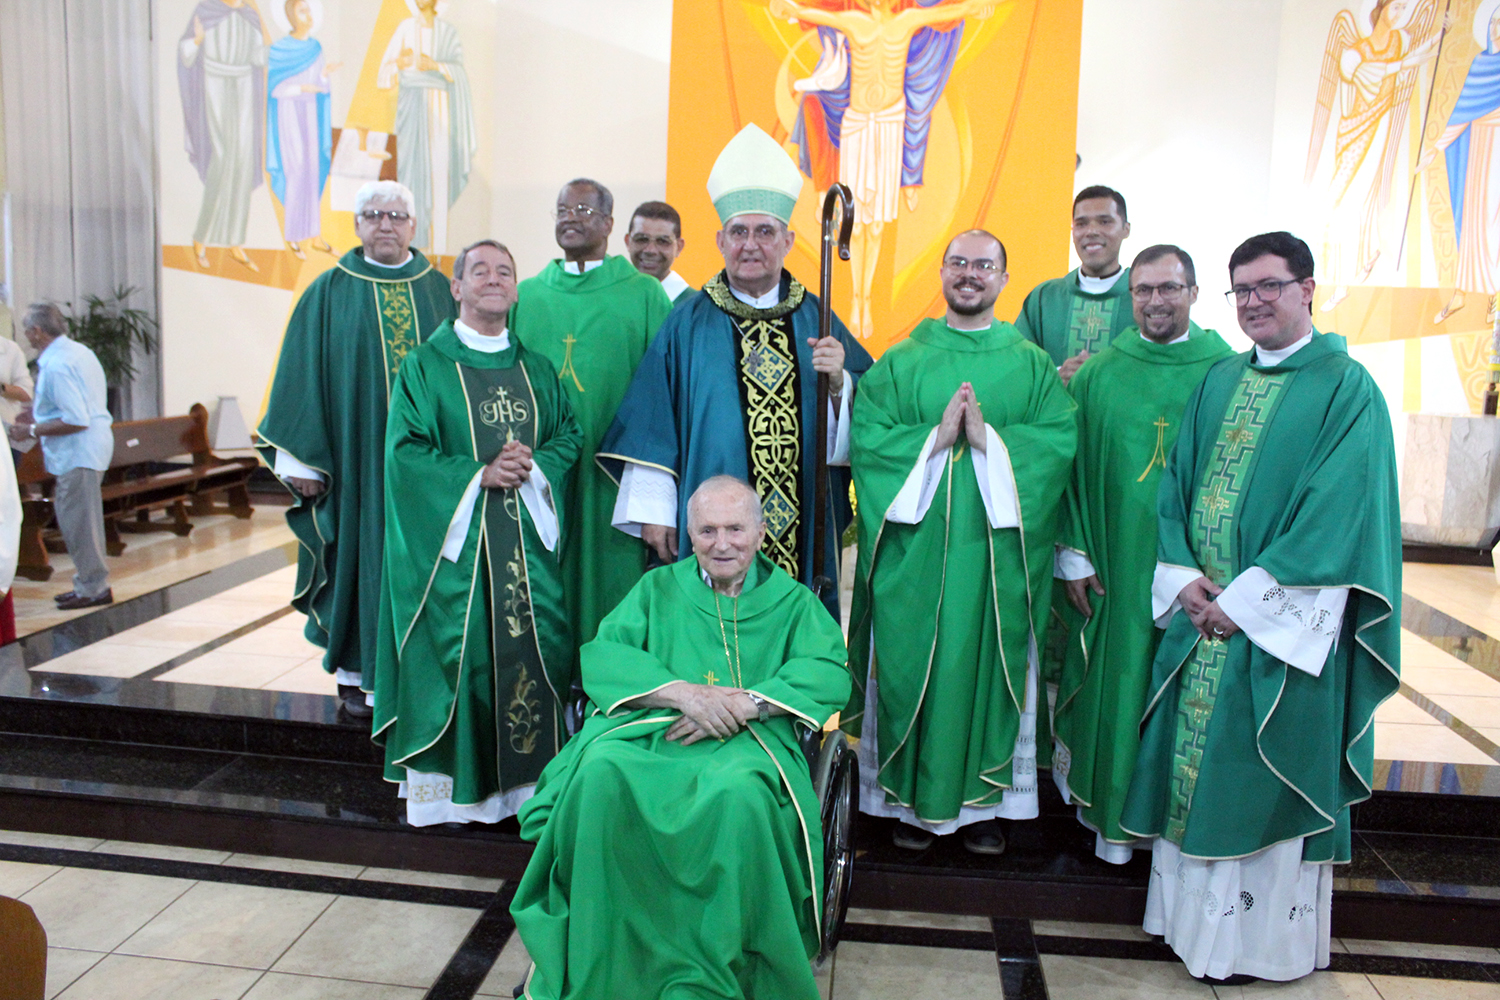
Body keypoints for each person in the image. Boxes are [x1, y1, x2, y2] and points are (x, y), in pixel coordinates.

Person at [1120, 232, 1400, 984]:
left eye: (1269, 286)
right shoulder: (1219, 380)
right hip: (1204, 621)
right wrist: (1183, 578)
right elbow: (1177, 486)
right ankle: (1192, 932)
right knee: (1196, 776)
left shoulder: (1347, 389)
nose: (1253, 302)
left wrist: (1245, 604)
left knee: (1260, 776)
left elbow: (1338, 513)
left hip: (1278, 630)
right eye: (1241, 289)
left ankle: (1254, 948)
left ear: (1307, 289)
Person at [510, 476, 850, 1000]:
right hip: (653, 733)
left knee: (739, 797)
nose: (722, 543)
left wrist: (747, 704)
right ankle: (603, 957)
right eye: (707, 530)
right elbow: (605, 654)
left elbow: (827, 671)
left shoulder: (794, 604)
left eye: (735, 529)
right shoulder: (656, 590)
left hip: (748, 746)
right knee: (599, 775)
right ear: (689, 535)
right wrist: (684, 694)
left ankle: (720, 964)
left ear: (761, 533)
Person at [845, 230, 1076, 854]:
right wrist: (934, 440)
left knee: (989, 667)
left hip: (995, 563)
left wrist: (988, 443)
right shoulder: (901, 360)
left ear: (1003, 278)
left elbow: (1058, 442)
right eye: (958, 263)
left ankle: (984, 808)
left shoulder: (1030, 364)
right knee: (908, 667)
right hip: (915, 559)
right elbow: (868, 439)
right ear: (943, 272)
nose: (969, 274)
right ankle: (907, 803)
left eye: (983, 265)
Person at [600, 124, 873, 617]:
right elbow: (653, 420)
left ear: (788, 240)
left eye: (765, 231)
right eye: (739, 232)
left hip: (805, 522)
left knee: (796, 620)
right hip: (713, 524)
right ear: (719, 240)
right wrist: (656, 513)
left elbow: (876, 412)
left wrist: (841, 385)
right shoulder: (688, 321)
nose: (751, 244)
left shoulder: (818, 318)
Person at [371, 239, 582, 826]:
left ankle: (527, 790)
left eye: (505, 271)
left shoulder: (538, 368)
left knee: (534, 657)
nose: (494, 279)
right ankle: (455, 795)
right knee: (464, 661)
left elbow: (568, 435)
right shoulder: (424, 366)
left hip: (527, 555)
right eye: (480, 270)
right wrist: (478, 475)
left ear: (515, 290)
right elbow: (404, 453)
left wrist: (533, 466)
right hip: (456, 558)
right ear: (457, 288)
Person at [1049, 244, 1233, 865]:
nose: (1156, 301)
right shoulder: (1101, 372)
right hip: (1119, 566)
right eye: (1144, 290)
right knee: (1122, 680)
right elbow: (1070, 466)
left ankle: (1180, 833)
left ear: (1194, 293)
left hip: (1203, 570)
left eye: (1169, 289)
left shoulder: (1225, 371)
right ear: (1130, 297)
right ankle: (1116, 831)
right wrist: (1075, 555)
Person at [257, 180, 457, 718]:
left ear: (413, 225)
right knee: (358, 558)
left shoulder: (442, 291)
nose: (385, 224)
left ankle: (431, 676)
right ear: (357, 224)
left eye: (396, 216)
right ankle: (358, 675)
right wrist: (301, 460)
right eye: (373, 215)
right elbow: (300, 374)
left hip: (434, 471)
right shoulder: (328, 291)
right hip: (355, 466)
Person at [770, 0, 999, 340]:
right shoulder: (854, 22)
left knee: (876, 225)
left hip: (890, 126)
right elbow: (811, 14)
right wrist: (787, 8)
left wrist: (975, 8)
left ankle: (865, 299)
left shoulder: (908, 20)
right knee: (855, 224)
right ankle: (856, 298)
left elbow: (946, 13)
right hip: (857, 125)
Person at [512, 179, 672, 662]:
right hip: (540, 472)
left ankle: (607, 682)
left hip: (614, 478)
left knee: (611, 583)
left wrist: (657, 497)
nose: (570, 217)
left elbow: (666, 395)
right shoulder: (525, 296)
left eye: (583, 210)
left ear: (608, 223)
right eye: (563, 209)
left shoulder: (644, 295)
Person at [9, 304, 114, 611]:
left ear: (38, 331)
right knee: (82, 521)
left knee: (80, 524)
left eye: (27, 330)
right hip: (88, 449)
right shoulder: (79, 352)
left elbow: (76, 419)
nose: (26, 335)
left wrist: (30, 430)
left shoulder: (57, 365)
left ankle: (93, 588)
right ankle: (88, 584)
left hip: (78, 452)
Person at [376, 0, 475, 253]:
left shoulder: (448, 32)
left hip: (440, 112)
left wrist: (436, 66)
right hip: (410, 113)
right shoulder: (405, 29)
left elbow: (460, 74)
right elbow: (382, 77)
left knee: (439, 179)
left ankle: (439, 252)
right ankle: (411, 251)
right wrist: (399, 63)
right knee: (410, 181)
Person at [1422, 4, 1500, 324]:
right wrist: (1435, 148)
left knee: (1495, 225)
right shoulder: (1481, 63)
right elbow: (1461, 112)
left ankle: (1495, 298)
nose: (1497, 28)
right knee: (1473, 223)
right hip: (1479, 151)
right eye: (1494, 22)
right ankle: (1461, 293)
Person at [178, 0, 267, 272]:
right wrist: (197, 40)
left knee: (243, 160)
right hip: (215, 82)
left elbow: (258, 57)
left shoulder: (250, 15)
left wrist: (275, 49)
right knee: (223, 156)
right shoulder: (207, 11)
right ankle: (200, 237)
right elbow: (186, 55)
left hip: (244, 85)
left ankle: (235, 242)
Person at [1015, 185, 1134, 385]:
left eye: (1104, 222)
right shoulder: (1045, 297)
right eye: (1081, 224)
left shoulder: (1144, 297)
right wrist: (1055, 376)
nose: (1091, 231)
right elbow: (1017, 365)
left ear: (1126, 229)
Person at [266, 0, 339, 259]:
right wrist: (301, 88)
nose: (307, 15)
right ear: (291, 16)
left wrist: (323, 77)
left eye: (309, 10)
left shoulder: (316, 48)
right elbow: (274, 89)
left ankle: (315, 236)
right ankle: (293, 236)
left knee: (312, 172)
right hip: (289, 116)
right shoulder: (279, 50)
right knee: (296, 172)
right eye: (302, 11)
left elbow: (321, 86)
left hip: (310, 115)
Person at [626, 200, 692, 303]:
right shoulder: (613, 296)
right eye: (642, 239)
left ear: (679, 247)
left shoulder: (695, 305)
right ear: (627, 242)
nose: (650, 250)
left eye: (662, 241)